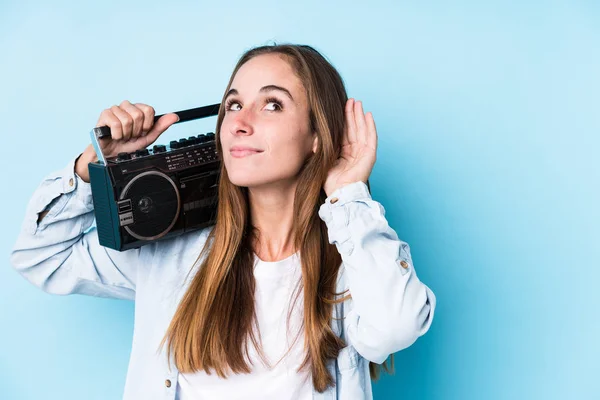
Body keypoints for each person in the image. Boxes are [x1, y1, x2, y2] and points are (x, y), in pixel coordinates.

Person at [10, 43, 436, 400]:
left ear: (317, 136)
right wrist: (92, 170)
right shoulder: (171, 253)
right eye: (234, 104)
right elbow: (42, 257)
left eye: (272, 104)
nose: (240, 123)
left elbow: (396, 326)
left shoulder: (350, 260)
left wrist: (347, 194)